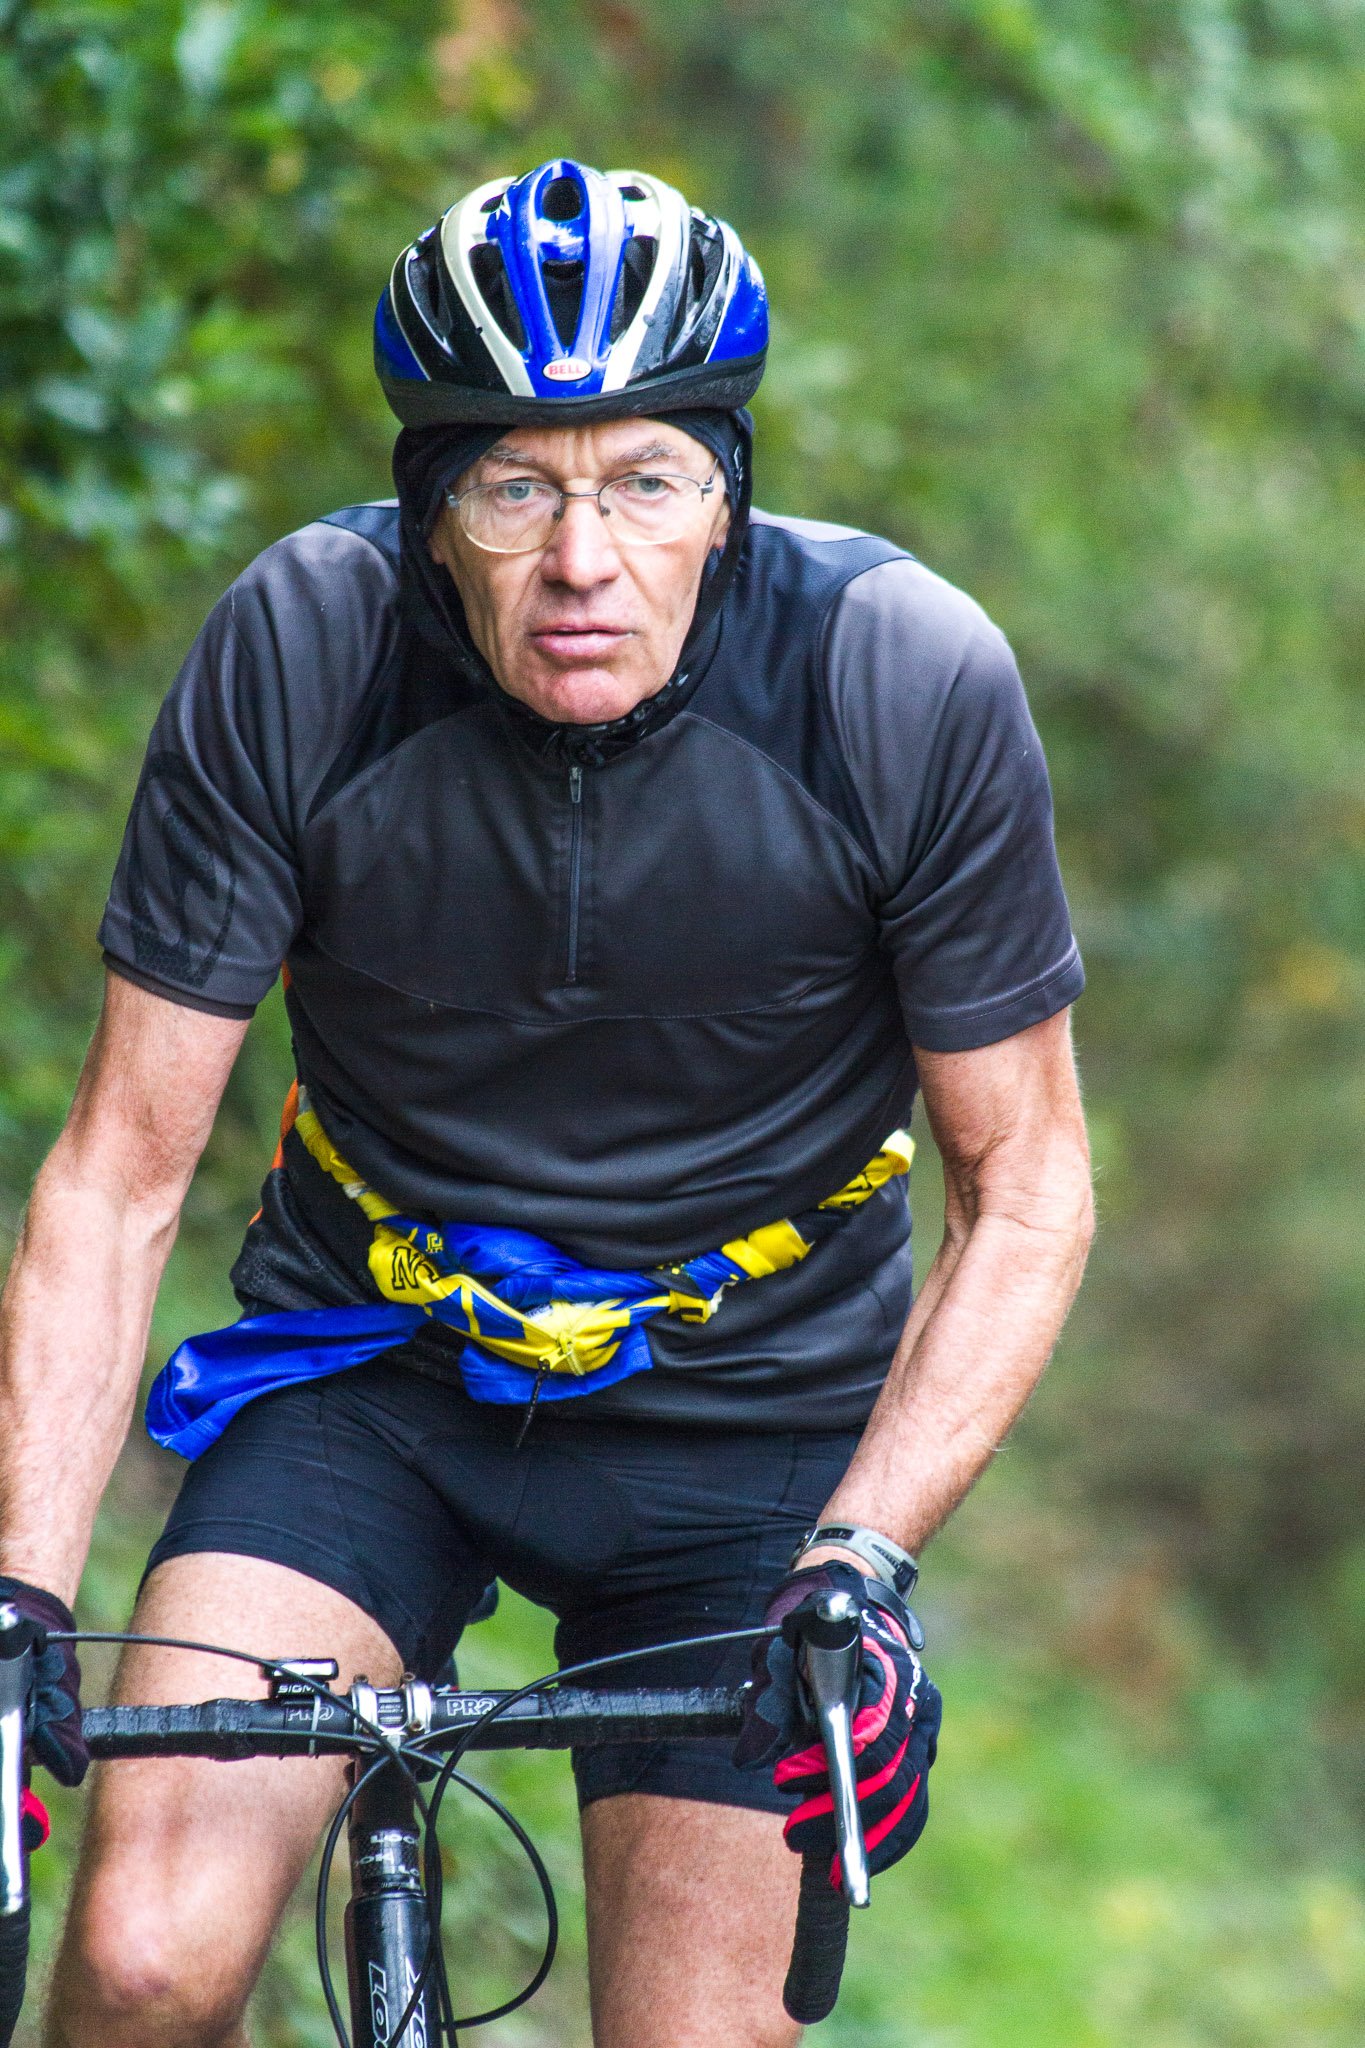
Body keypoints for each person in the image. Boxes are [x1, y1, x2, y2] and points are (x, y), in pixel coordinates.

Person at [0, 159, 1093, 2047]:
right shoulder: (311, 648)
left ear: (725, 493)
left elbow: (1029, 1185)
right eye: (515, 486)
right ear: (431, 510)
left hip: (752, 1426)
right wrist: (20, 1592)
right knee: (144, 1960)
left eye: (646, 481)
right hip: (375, 1379)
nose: (584, 557)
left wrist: (864, 1563)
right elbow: (116, 1175)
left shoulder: (895, 675)